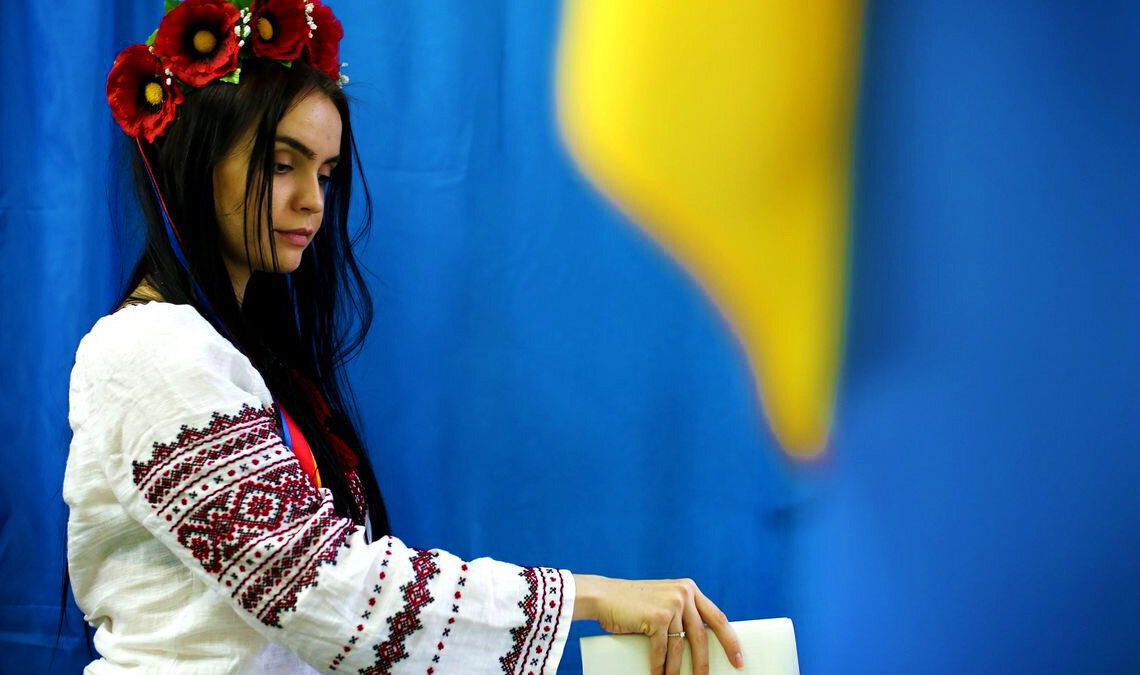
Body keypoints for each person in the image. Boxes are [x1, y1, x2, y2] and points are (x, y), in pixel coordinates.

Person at [65, 1, 744, 673]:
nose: (313, 201)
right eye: (281, 164)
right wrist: (585, 595)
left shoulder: (232, 354)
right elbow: (322, 589)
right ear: (193, 158)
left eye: (325, 173)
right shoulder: (149, 351)